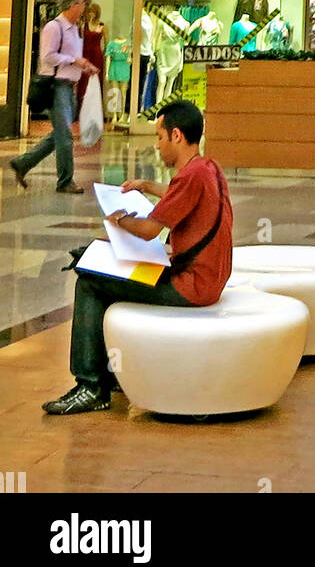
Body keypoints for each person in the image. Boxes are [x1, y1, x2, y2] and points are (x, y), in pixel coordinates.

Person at [42, 100, 232, 415]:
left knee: (89, 282)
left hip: (192, 286)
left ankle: (91, 386)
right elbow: (177, 195)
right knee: (108, 274)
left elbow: (146, 230)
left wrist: (117, 219)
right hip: (208, 279)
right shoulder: (206, 168)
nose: (156, 146)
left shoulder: (190, 176)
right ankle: (110, 375)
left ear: (176, 136)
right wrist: (145, 186)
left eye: (159, 137)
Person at [10, 0, 99, 195]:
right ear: (70, 5)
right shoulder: (54, 27)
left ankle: (23, 163)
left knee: (58, 134)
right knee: (65, 136)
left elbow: (71, 56)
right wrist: (74, 61)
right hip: (56, 86)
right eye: (80, 3)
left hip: (69, 86)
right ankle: (65, 181)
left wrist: (84, 66)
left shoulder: (75, 29)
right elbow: (48, 56)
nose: (84, 7)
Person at [77, 1, 107, 113]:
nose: (91, 14)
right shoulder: (83, 26)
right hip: (85, 53)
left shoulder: (101, 25)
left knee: (96, 80)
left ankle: (95, 110)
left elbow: (107, 42)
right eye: (89, 12)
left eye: (93, 12)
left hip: (97, 54)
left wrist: (105, 54)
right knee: (84, 80)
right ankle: (82, 109)